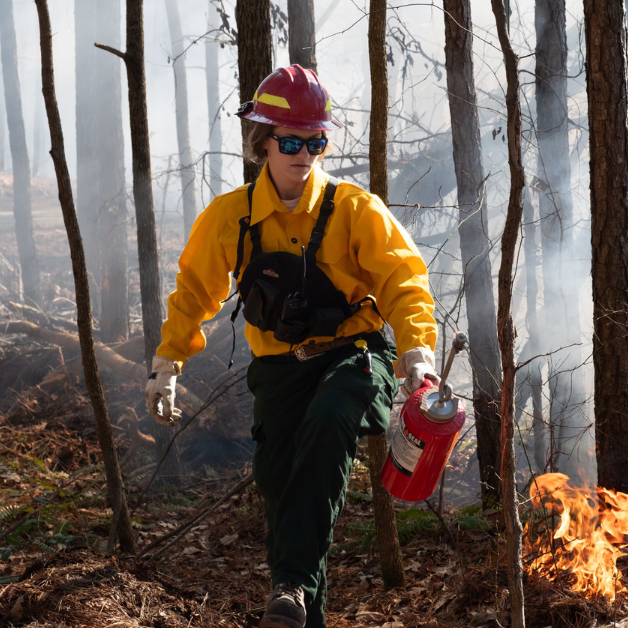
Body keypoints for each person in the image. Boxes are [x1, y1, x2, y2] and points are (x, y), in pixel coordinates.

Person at [143, 65, 438, 628]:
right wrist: (167, 361)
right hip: (277, 371)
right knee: (285, 495)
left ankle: (292, 584)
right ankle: (299, 602)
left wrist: (416, 351)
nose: (305, 153)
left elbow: (405, 280)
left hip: (355, 357)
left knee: (330, 418)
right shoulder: (232, 218)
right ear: (262, 144)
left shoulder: (354, 209)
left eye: (316, 141)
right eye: (292, 141)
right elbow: (194, 291)